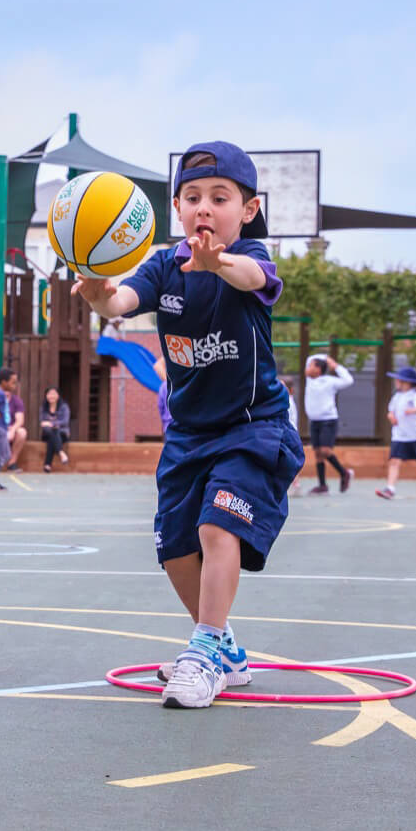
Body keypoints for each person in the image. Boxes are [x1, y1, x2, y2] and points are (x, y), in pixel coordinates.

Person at [72, 141, 303, 709]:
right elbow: (122, 302)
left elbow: (253, 277)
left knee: (216, 527)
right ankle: (225, 649)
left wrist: (217, 263)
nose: (205, 207)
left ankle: (203, 652)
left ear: (247, 210)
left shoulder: (249, 256)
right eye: (193, 196)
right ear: (176, 207)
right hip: (188, 434)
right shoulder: (163, 265)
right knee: (175, 548)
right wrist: (100, 296)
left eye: (220, 198)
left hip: (253, 427)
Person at [375, 366, 416, 499]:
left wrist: (412, 410)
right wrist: (391, 416)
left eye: (399, 380)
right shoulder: (396, 397)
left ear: (407, 383)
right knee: (394, 461)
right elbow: (391, 411)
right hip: (399, 435)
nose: (396, 382)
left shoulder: (415, 396)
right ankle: (390, 489)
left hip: (415, 435)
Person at [301, 354, 353, 493]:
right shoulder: (309, 380)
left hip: (328, 420)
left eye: (311, 366)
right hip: (315, 421)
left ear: (318, 369)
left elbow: (348, 380)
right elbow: (309, 358)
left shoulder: (330, 381)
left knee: (325, 450)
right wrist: (322, 356)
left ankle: (344, 473)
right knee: (318, 453)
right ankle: (322, 485)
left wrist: (333, 364)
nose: (307, 368)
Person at [40, 385, 72, 471]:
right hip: (47, 433)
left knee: (52, 436)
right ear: (46, 395)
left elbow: (65, 421)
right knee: (52, 432)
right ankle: (61, 452)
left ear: (58, 395)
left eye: (53, 394)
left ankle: (47, 465)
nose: (51, 396)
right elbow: (42, 422)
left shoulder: (64, 407)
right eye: (49, 394)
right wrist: (51, 425)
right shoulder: (44, 407)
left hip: (62, 433)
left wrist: (52, 424)